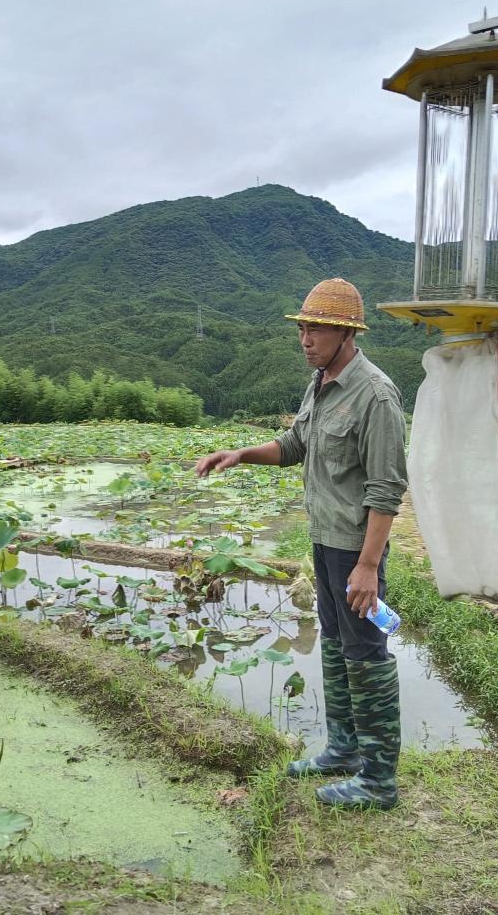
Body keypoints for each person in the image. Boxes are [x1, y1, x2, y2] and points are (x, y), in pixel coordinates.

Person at [196, 278, 407, 810]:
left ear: (346, 332)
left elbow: (386, 490)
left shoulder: (376, 395)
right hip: (323, 540)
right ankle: (343, 750)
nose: (306, 338)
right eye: (304, 328)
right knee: (335, 643)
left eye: (317, 329)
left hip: (355, 550)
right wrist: (240, 453)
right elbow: (294, 445)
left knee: (366, 652)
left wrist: (367, 566)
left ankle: (379, 781)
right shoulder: (319, 384)